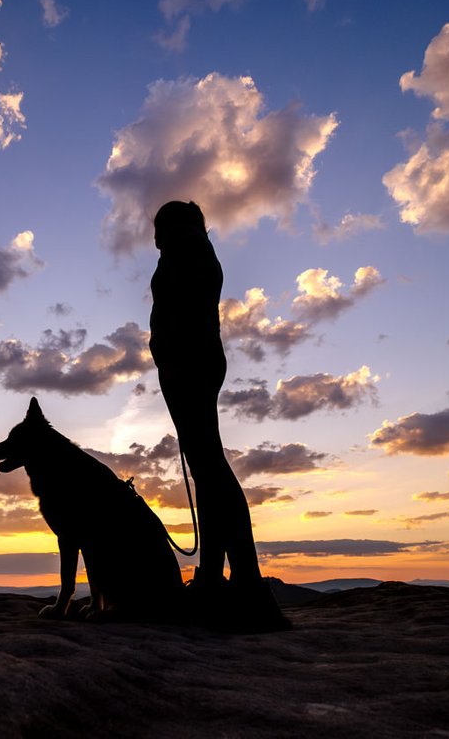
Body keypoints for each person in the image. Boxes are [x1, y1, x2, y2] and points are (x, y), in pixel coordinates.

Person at [149, 200, 290, 632]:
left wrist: (169, 357)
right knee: (208, 471)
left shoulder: (184, 249)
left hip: (188, 365)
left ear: (169, 227)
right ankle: (213, 578)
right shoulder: (195, 251)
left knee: (210, 469)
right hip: (195, 363)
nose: (154, 239)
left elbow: (179, 317)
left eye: (157, 230)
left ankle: (247, 583)